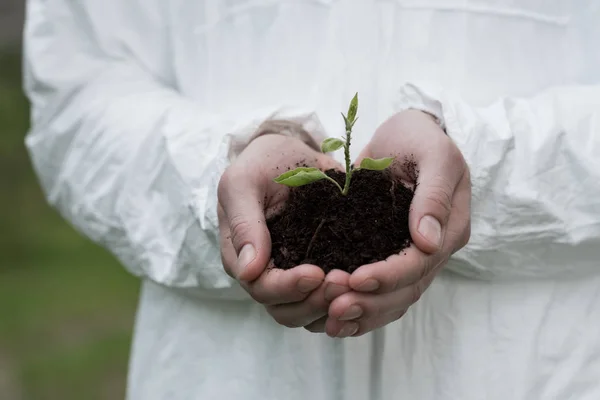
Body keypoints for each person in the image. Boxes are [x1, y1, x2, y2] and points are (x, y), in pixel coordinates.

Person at [23, 0, 600, 399]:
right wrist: (216, 177)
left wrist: (481, 169)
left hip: (538, 362)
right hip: (228, 372)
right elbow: (77, 95)